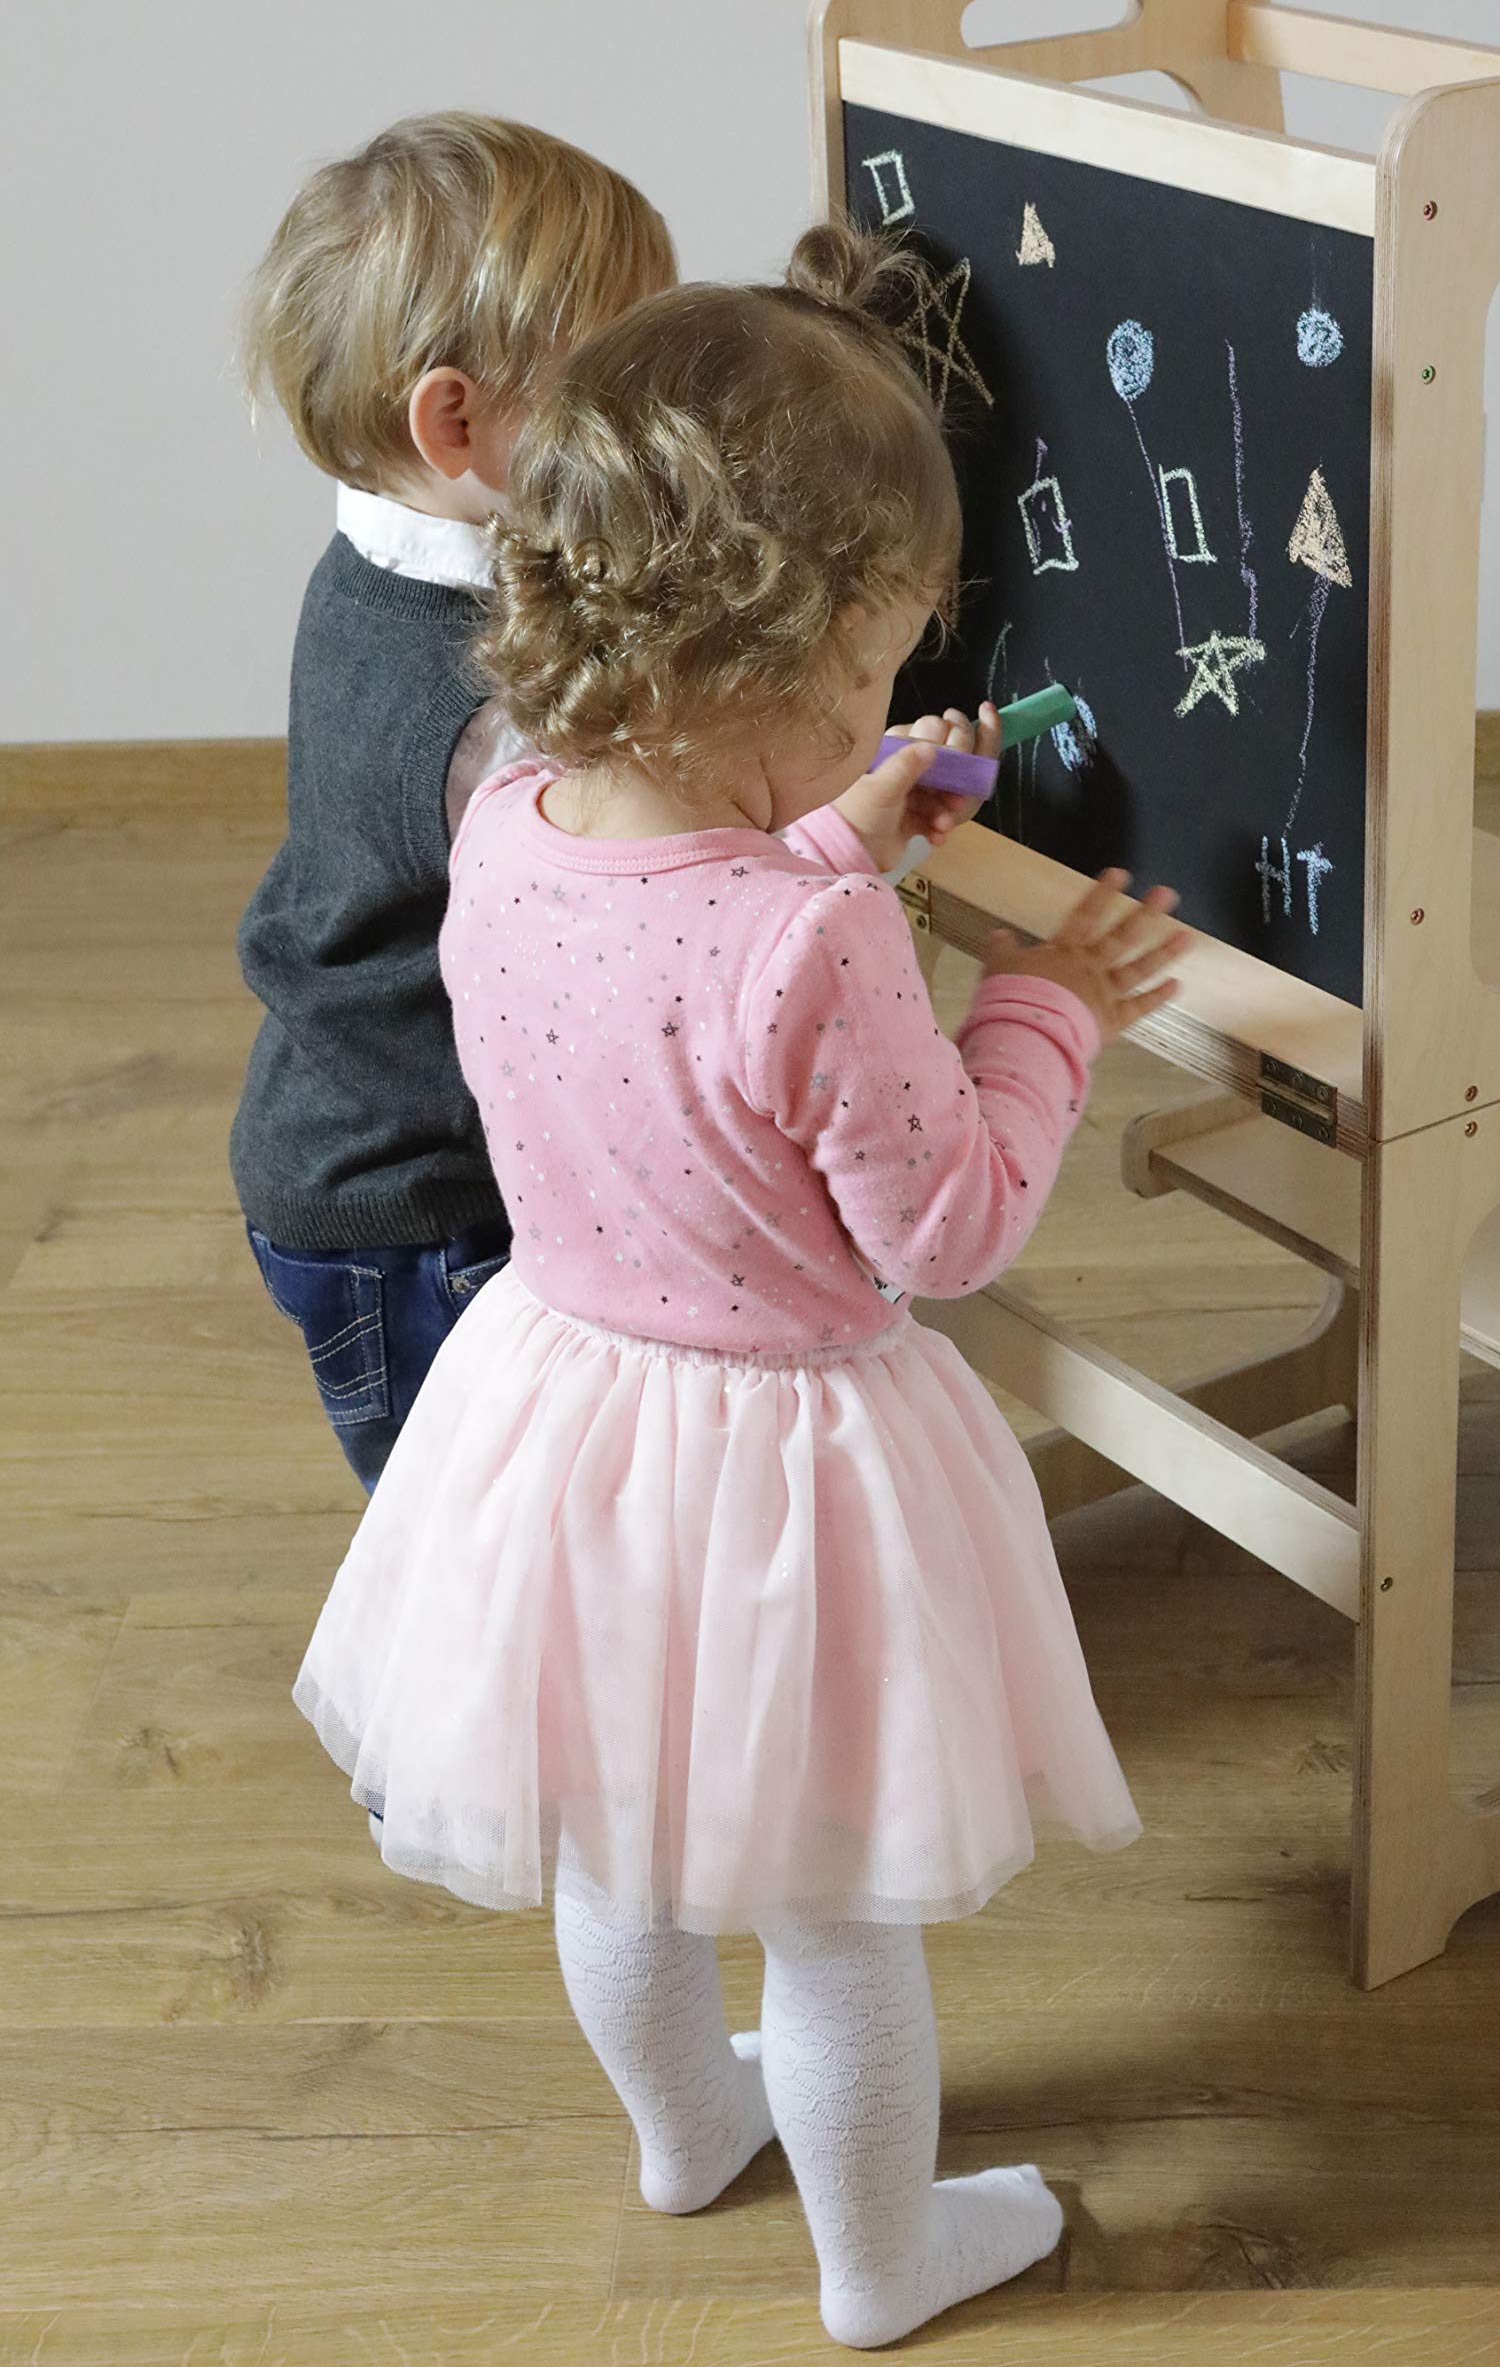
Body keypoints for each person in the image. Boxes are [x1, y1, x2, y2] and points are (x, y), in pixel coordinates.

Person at [292, 222, 1187, 2346]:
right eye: (870, 678)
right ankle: (887, 2261)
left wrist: (842, 817)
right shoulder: (821, 946)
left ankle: (690, 2131)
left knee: (620, 1852)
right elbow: (947, 1224)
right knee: (837, 1913)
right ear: (758, 666)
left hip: (563, 1418)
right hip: (788, 1474)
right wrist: (1047, 1007)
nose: (891, 713)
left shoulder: (507, 807)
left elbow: (670, 960)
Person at [231, 113, 676, 1488]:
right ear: (458, 421)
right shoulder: (482, 704)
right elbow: (625, 890)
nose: (662, 421)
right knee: (473, 1526)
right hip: (416, 1204)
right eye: (620, 390)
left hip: (355, 1126)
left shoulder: (395, 552)